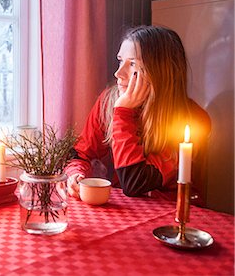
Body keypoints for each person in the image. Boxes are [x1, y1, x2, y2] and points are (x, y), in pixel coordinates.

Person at [65, 25, 211, 203]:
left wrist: (123, 114)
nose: (118, 73)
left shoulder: (192, 120)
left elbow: (135, 182)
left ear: (160, 72)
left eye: (132, 64)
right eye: (120, 61)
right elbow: (80, 154)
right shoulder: (109, 101)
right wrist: (75, 174)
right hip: (128, 211)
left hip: (174, 215)